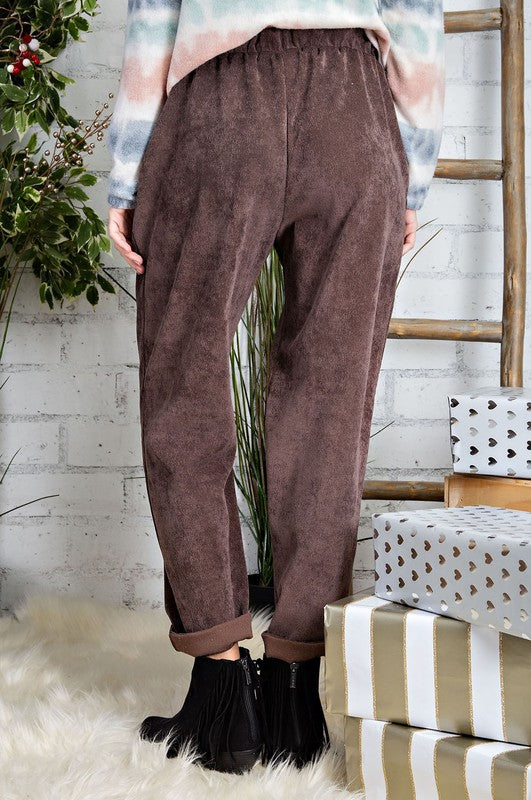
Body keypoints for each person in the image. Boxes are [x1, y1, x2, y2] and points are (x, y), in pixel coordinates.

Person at [106, 0, 445, 776]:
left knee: (184, 384)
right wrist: (412, 175)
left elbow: (156, 18)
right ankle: (296, 697)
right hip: (356, 110)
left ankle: (222, 696)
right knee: (331, 404)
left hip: (221, 100)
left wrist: (127, 172)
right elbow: (418, 20)